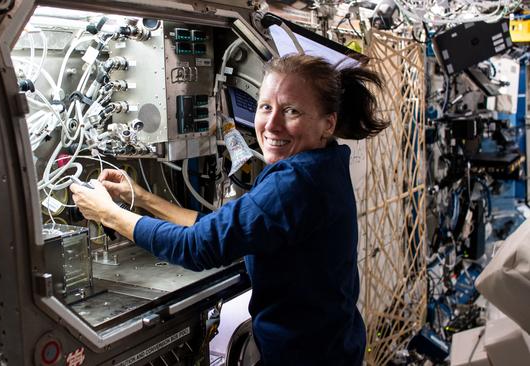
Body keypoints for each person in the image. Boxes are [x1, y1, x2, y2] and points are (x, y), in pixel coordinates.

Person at [70, 54, 389, 365]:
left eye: (291, 111)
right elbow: (220, 228)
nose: (271, 124)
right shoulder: (323, 164)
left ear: (327, 123)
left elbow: (197, 246)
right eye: (266, 107)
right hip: (333, 344)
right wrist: (140, 197)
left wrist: (107, 213)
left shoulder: (296, 182)